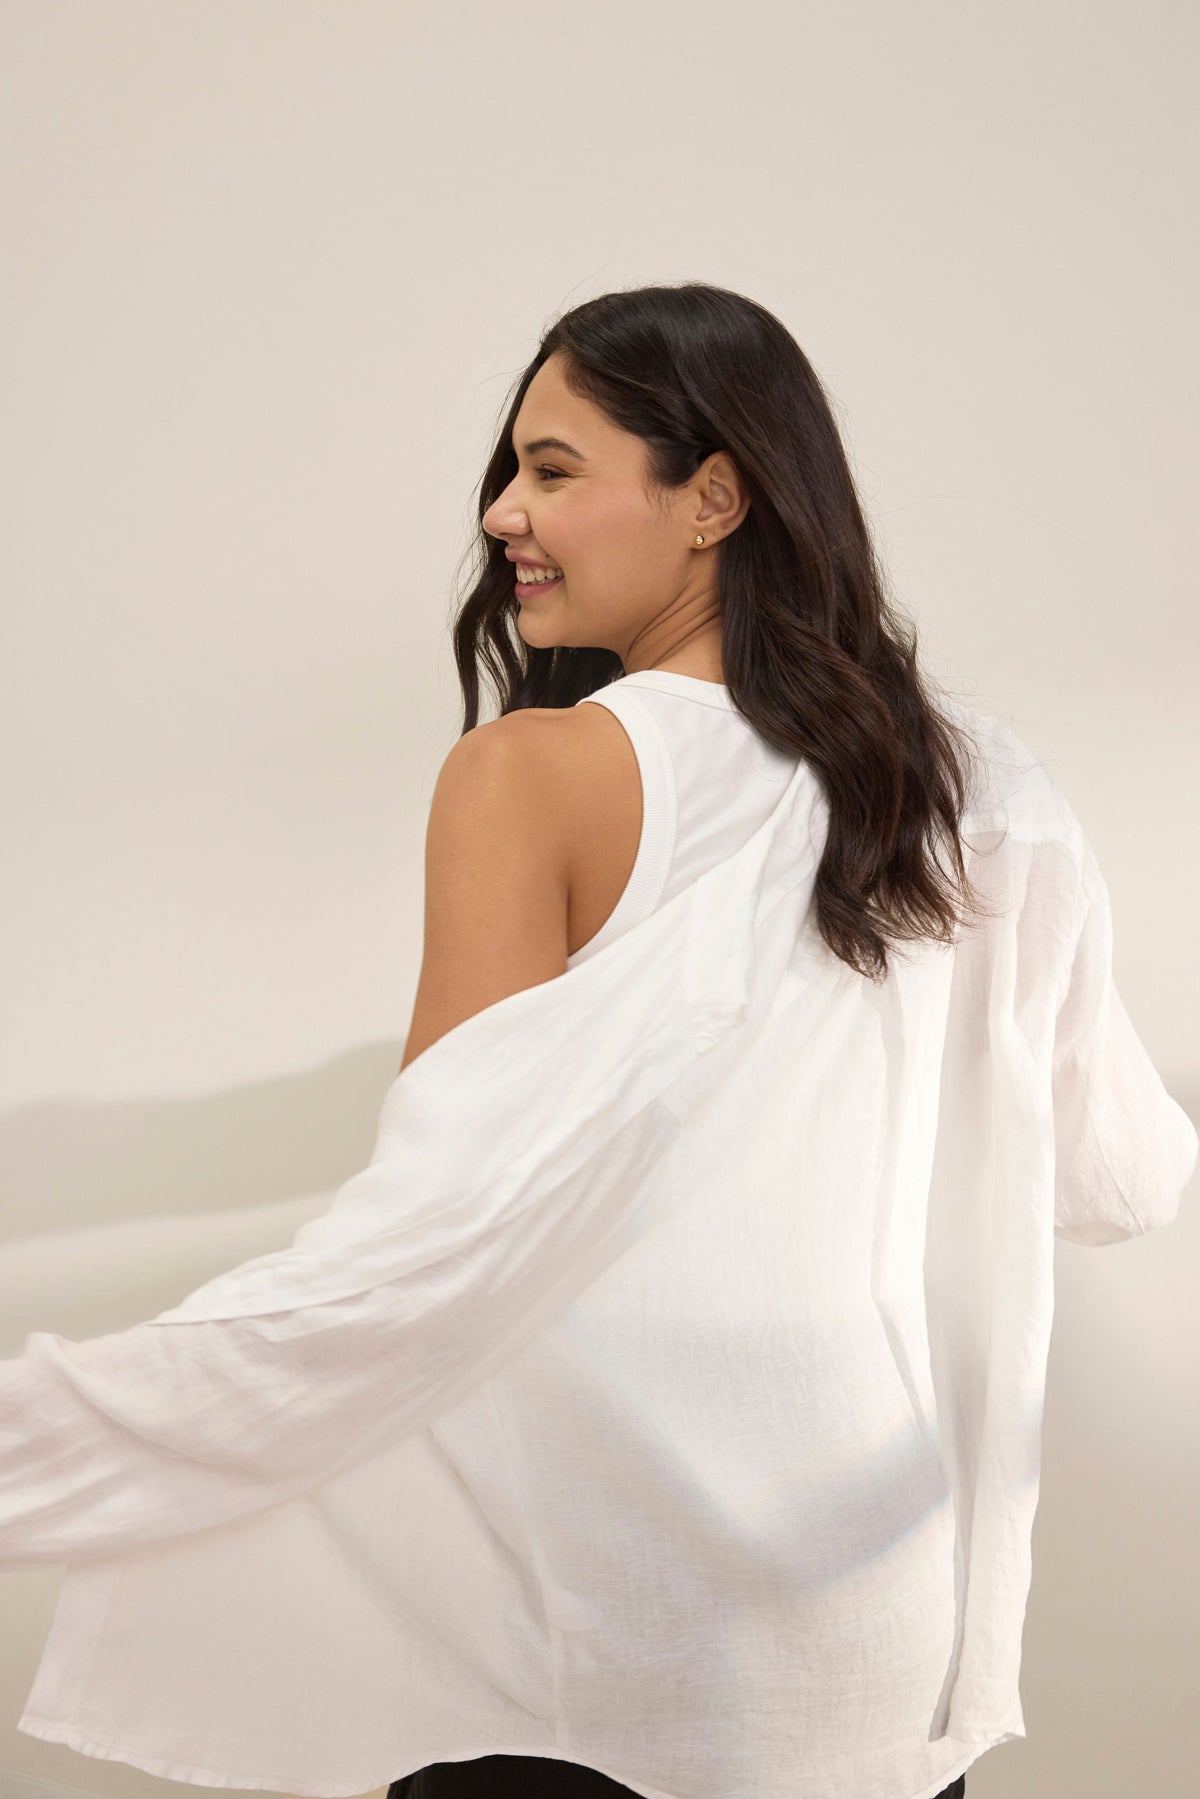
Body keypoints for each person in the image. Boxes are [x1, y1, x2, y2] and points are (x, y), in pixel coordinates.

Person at [3, 284, 1193, 1799]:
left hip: (571, 1625)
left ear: (715, 497)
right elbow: (1118, 1181)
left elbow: (432, 1256)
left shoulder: (533, 776)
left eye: (554, 469)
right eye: (510, 472)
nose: (503, 511)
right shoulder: (983, 795)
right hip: (862, 1640)